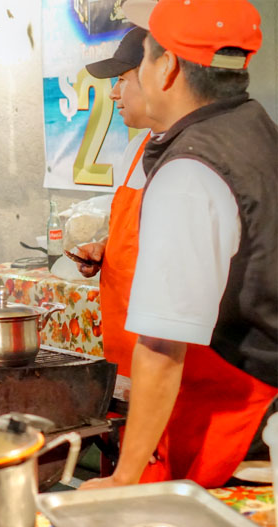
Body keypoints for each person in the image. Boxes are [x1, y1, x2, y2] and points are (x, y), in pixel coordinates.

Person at [81, 0, 277, 490]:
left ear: (166, 67)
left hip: (239, 426)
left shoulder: (191, 169)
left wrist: (124, 479)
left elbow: (163, 345)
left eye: (143, 57)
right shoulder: (254, 126)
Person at [70, 27, 164, 379]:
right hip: (122, 337)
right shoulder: (135, 149)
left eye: (123, 80)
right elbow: (138, 233)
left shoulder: (190, 159)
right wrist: (105, 251)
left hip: (162, 349)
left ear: (160, 76)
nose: (112, 93)